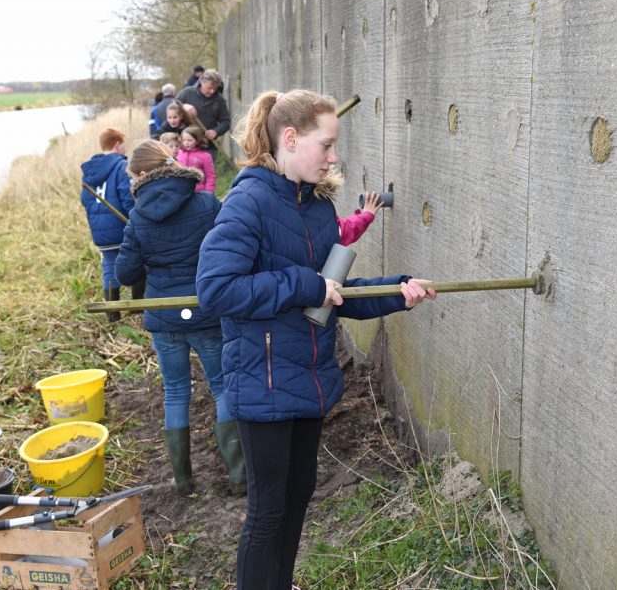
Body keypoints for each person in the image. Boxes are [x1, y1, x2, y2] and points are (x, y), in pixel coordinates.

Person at [195, 89, 436, 589]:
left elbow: (333, 294)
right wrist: (304, 283)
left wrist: (397, 291)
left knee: (299, 492)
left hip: (307, 376)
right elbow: (215, 289)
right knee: (267, 510)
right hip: (262, 384)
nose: (332, 157)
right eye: (325, 145)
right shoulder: (249, 200)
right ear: (290, 138)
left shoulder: (318, 208)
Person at [114, 140, 245, 496]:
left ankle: (183, 480)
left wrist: (143, 249)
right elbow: (232, 244)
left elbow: (125, 273)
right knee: (221, 386)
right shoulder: (205, 201)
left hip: (164, 315)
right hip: (206, 310)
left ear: (142, 175)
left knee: (175, 393)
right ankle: (239, 475)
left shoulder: (139, 216)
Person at [80, 128, 143, 322]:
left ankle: (112, 314)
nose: (125, 148)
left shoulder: (90, 169)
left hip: (101, 231)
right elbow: (127, 197)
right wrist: (137, 219)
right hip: (123, 226)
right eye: (123, 144)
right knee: (139, 262)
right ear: (117, 144)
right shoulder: (121, 166)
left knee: (109, 267)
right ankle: (137, 309)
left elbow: (86, 199)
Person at [177, 69, 230, 157]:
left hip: (208, 147)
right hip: (185, 145)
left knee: (207, 170)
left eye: (215, 88)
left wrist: (216, 132)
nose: (212, 91)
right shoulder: (187, 92)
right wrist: (183, 106)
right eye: (209, 88)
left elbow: (226, 122)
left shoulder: (219, 100)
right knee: (182, 168)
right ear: (202, 82)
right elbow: (172, 107)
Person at [176, 126, 216, 193]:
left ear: (197, 141)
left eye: (189, 140)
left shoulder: (205, 156)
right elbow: (173, 161)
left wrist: (209, 193)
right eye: (184, 140)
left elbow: (210, 176)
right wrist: (166, 160)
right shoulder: (180, 153)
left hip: (198, 191)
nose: (186, 143)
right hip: (181, 190)